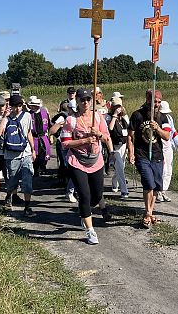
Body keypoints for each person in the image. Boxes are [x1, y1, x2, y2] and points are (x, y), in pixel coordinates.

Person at [60, 88, 114, 245]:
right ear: (77, 101)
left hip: (95, 161)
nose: (85, 102)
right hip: (77, 161)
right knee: (84, 195)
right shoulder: (71, 120)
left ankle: (85, 212)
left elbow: (106, 136)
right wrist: (83, 141)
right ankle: (90, 230)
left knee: (96, 195)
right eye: (82, 100)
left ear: (92, 101)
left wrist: (98, 134)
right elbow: (65, 143)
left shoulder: (98, 117)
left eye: (88, 99)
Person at [127, 89, 171, 228]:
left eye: (158, 102)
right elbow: (130, 136)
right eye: (154, 102)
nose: (156, 104)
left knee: (157, 185)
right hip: (142, 154)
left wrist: (157, 128)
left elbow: (167, 136)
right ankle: (147, 213)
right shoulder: (137, 115)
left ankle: (150, 212)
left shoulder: (163, 117)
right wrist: (131, 152)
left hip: (157, 155)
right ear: (147, 101)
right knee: (148, 183)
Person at [0, 94, 37, 217]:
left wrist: (33, 149)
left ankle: (27, 207)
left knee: (27, 180)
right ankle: (9, 196)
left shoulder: (27, 116)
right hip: (11, 155)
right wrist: (4, 116)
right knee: (12, 180)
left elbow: (29, 132)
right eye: (15, 106)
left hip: (26, 153)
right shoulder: (7, 118)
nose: (18, 108)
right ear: (11, 106)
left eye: (20, 106)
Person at [49, 99, 78, 202]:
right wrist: (61, 124)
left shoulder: (79, 118)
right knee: (72, 169)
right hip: (65, 146)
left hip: (77, 146)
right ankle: (70, 191)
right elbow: (51, 130)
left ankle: (73, 191)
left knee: (77, 170)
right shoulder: (63, 117)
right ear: (69, 109)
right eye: (72, 110)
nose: (74, 112)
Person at [156, 100, 178, 203]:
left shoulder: (169, 118)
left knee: (169, 170)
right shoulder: (157, 119)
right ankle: (158, 190)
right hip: (160, 146)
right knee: (163, 169)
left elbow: (173, 132)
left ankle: (163, 191)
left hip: (168, 147)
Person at [106, 96, 130, 199]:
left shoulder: (124, 117)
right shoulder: (107, 117)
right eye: (115, 106)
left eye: (119, 106)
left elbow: (129, 131)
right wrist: (114, 116)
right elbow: (110, 128)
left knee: (122, 167)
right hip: (114, 146)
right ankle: (124, 191)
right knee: (119, 167)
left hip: (123, 145)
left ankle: (114, 182)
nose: (118, 108)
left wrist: (130, 146)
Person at [28, 96, 51, 177]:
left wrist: (50, 136)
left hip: (43, 136)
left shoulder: (44, 112)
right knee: (34, 154)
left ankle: (43, 167)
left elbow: (49, 125)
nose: (33, 107)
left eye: (35, 105)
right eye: (32, 105)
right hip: (33, 137)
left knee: (44, 153)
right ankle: (35, 170)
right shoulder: (29, 114)